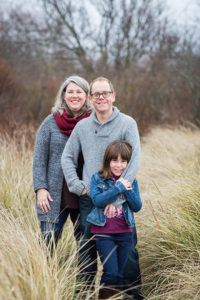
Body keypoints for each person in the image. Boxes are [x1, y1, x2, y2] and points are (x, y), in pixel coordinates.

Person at [61, 76, 143, 299]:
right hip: (91, 200)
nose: (101, 98)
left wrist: (115, 199)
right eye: (96, 94)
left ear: (113, 95)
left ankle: (131, 296)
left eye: (105, 93)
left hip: (122, 200)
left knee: (128, 252)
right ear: (90, 98)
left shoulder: (127, 123)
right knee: (87, 250)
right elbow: (67, 157)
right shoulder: (82, 126)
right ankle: (85, 295)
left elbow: (133, 161)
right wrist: (78, 186)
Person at [33, 75, 91, 250]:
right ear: (64, 95)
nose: (74, 95)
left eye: (79, 91)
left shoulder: (94, 122)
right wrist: (41, 188)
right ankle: (43, 277)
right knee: (47, 243)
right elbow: (39, 160)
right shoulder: (50, 123)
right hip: (53, 194)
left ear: (87, 95)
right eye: (70, 91)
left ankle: (83, 279)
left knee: (85, 246)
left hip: (84, 193)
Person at [87, 140, 142, 299]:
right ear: (107, 161)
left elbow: (137, 206)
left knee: (120, 274)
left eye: (123, 161)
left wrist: (127, 189)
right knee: (111, 273)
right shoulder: (98, 179)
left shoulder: (132, 180)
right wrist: (118, 188)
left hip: (125, 232)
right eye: (114, 160)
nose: (119, 165)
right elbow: (97, 201)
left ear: (128, 163)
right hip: (104, 233)